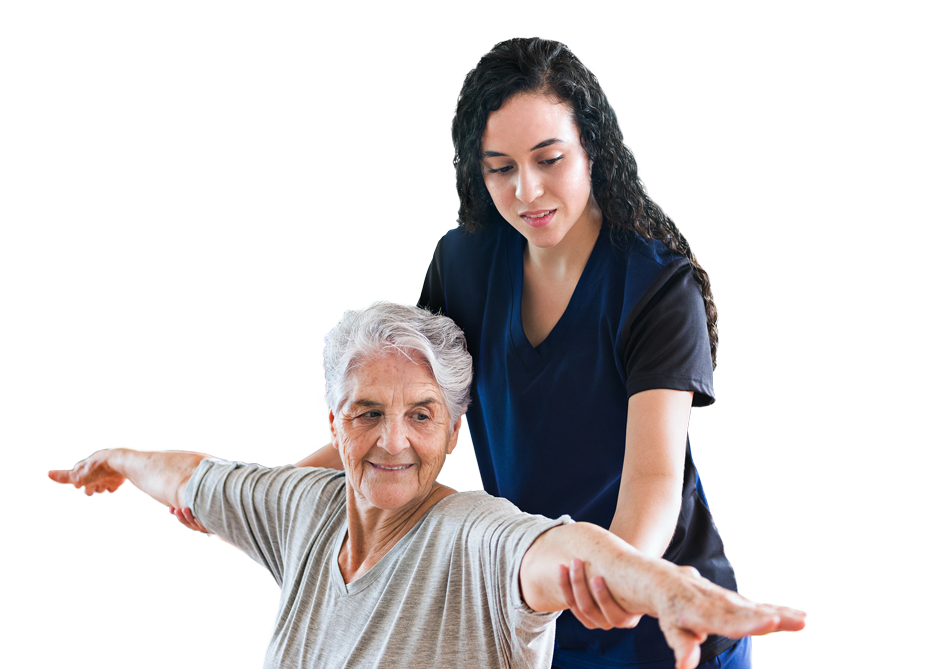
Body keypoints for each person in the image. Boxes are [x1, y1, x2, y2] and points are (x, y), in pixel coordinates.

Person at [289, 37, 752, 669]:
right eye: (501, 168)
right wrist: (265, 488)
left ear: (591, 147)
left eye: (550, 159)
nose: (528, 191)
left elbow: (653, 479)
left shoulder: (658, 289)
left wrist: (618, 580)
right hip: (531, 618)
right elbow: (406, 420)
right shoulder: (464, 263)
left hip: (661, 624)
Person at [52, 303, 805, 669]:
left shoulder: (474, 536)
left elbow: (565, 546)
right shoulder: (300, 508)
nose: (392, 440)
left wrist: (669, 587)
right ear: (335, 420)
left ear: (454, 433)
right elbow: (195, 475)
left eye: (421, 415)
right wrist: (123, 459)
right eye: (369, 413)